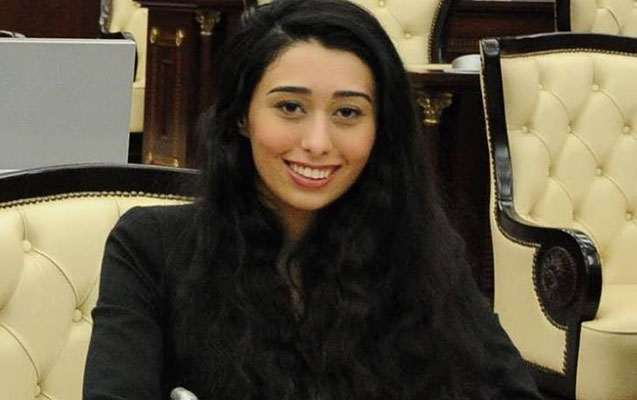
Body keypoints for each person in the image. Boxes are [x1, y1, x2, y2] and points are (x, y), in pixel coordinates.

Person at [83, 0, 544, 399]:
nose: (318, 143)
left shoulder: (422, 247)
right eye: (290, 107)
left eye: (348, 112)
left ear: (380, 128)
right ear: (242, 116)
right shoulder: (149, 247)